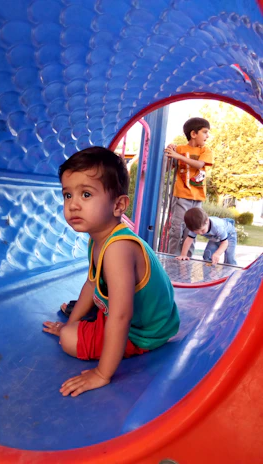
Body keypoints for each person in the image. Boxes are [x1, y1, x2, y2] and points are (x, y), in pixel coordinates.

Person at [43, 147, 180, 397]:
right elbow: (91, 284)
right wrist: (71, 323)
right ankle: (79, 319)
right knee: (70, 326)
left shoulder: (118, 248)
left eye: (86, 194)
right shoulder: (98, 240)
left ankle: (88, 330)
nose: (73, 204)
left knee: (69, 341)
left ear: (118, 205)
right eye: (67, 195)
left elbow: (120, 316)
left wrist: (102, 373)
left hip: (145, 331)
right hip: (135, 315)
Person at [164, 117, 213, 257]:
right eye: (205, 132)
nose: (207, 136)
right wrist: (170, 153)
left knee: (192, 230)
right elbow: (167, 169)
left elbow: (199, 165)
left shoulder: (206, 151)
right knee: (176, 228)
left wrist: (178, 156)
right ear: (193, 134)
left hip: (197, 198)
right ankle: (172, 257)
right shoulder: (179, 149)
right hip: (181, 195)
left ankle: (188, 258)